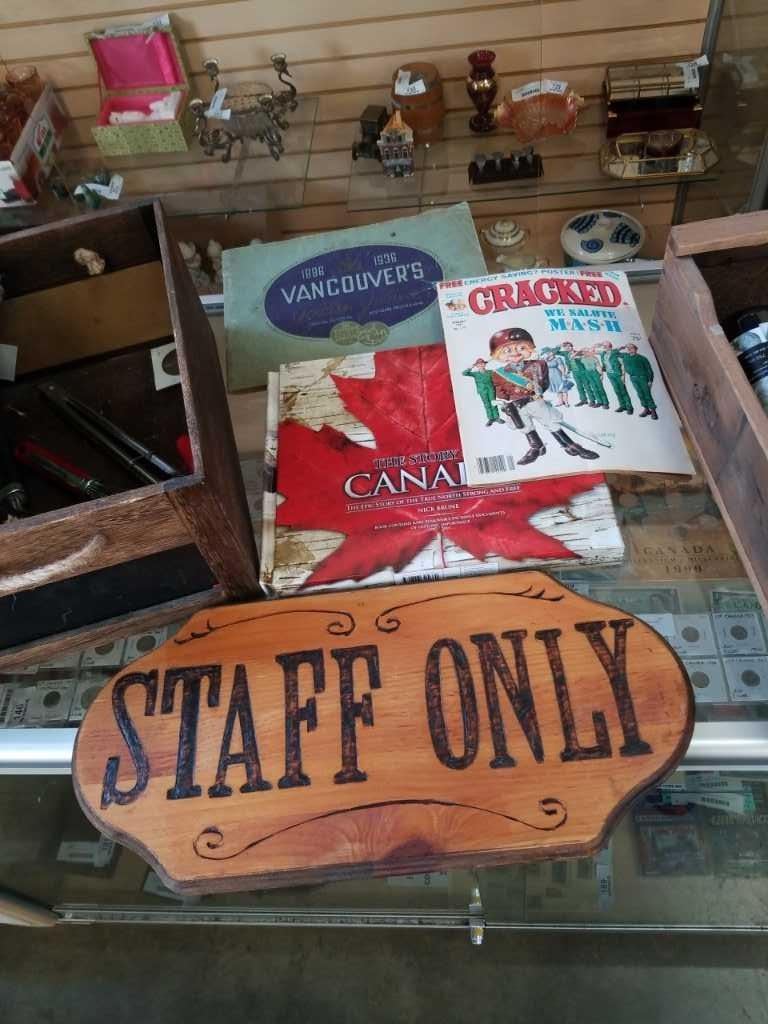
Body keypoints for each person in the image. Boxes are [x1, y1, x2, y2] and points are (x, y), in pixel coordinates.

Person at [487, 327, 598, 464]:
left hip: (535, 401)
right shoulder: (498, 373)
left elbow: (544, 383)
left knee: (552, 423)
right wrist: (510, 398)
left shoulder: (539, 364)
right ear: (498, 356)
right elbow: (499, 390)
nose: (515, 353)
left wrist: (535, 393)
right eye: (507, 351)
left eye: (521, 348)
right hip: (516, 406)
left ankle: (569, 445)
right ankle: (537, 447)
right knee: (525, 426)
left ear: (530, 349)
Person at [619, 342, 658, 419]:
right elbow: (615, 353)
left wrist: (650, 380)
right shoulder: (625, 356)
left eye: (632, 348)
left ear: (635, 349)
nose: (630, 349)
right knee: (640, 394)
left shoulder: (642, 358)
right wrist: (623, 346)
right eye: (628, 348)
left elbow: (649, 370)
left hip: (642, 378)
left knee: (647, 394)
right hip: (633, 378)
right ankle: (646, 409)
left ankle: (653, 411)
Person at [462, 357, 503, 426]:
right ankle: (490, 419)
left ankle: (497, 418)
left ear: (485, 364)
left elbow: (498, 376)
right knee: (487, 405)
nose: (481, 365)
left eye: (482, 364)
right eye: (479, 364)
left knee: (493, 403)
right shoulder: (475, 374)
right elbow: (464, 373)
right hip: (482, 391)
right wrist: (471, 367)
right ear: (477, 366)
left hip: (491, 390)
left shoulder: (490, 372)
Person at [599, 340, 633, 414]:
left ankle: (629, 407)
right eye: (603, 346)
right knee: (617, 390)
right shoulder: (603, 354)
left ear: (610, 347)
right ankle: (622, 406)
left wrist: (623, 376)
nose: (604, 347)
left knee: (623, 390)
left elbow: (622, 364)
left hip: (617, 374)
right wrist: (600, 344)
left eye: (605, 346)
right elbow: (593, 350)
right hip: (610, 375)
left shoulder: (615, 353)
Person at [556, 341, 589, 407]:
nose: (567, 348)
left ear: (572, 347)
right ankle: (583, 400)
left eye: (569, 346)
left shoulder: (578, 352)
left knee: (587, 385)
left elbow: (585, 356)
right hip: (574, 372)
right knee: (579, 386)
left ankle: (592, 400)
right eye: (566, 347)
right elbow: (556, 352)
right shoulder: (565, 353)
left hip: (582, 371)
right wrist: (560, 345)